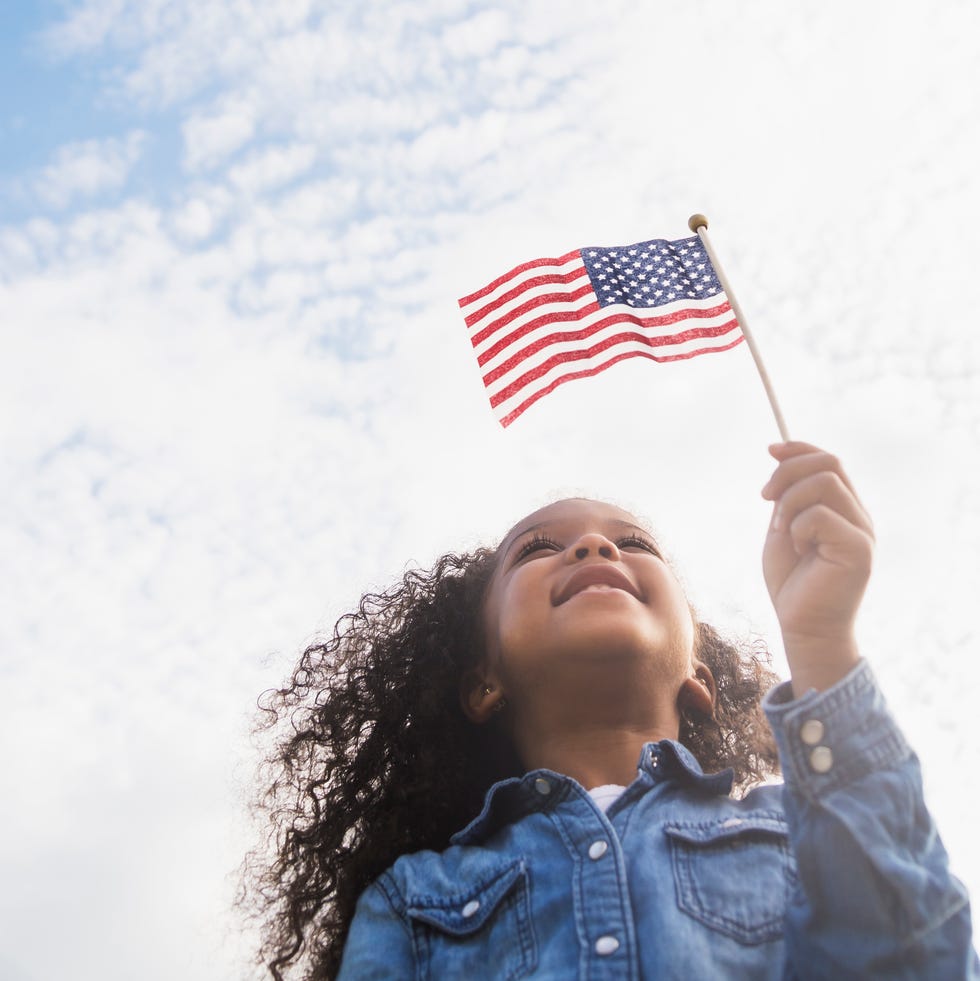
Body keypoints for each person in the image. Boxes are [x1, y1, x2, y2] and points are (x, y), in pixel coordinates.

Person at [249, 442, 977, 979]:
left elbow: (919, 958)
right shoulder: (416, 899)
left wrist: (820, 642)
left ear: (699, 674)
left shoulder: (795, 832)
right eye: (538, 550)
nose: (596, 545)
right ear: (482, 680)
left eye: (634, 544)